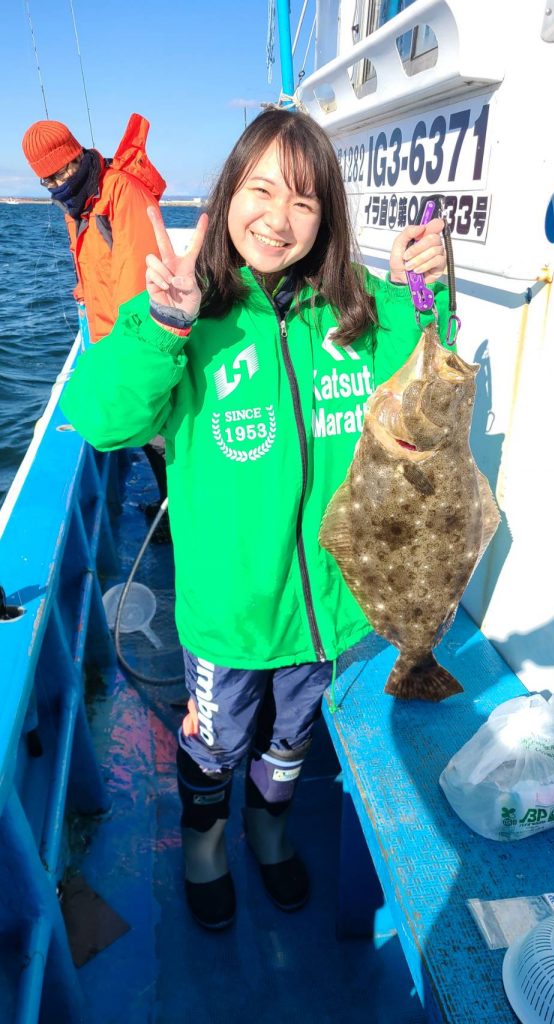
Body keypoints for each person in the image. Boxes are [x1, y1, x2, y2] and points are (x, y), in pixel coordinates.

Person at [60, 108, 448, 931]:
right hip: (230, 619)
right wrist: (164, 325)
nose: (278, 217)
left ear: (326, 217)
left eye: (304, 201)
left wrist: (423, 289)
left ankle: (269, 830)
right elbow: (101, 418)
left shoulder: (355, 311)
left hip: (327, 614)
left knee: (291, 738)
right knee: (217, 743)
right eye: (261, 190)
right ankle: (204, 846)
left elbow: (426, 372)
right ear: (229, 191)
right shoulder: (187, 313)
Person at [22, 114, 169, 506]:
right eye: (48, 180)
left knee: (157, 430)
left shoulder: (121, 192)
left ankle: (176, 512)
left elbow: (138, 285)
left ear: (77, 156)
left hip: (135, 341)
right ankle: (167, 501)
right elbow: (96, 263)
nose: (57, 184)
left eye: (62, 172)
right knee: (146, 433)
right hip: (107, 339)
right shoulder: (79, 204)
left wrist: (124, 354)